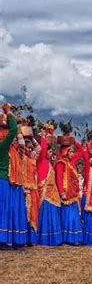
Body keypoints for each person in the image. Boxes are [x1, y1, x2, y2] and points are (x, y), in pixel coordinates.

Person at [0, 104, 28, 249]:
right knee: (4, 211)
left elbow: (20, 140)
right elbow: (12, 131)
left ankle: (13, 239)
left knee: (10, 211)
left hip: (12, 182)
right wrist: (9, 113)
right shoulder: (3, 146)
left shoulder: (14, 150)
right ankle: (3, 240)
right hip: (4, 181)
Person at [55, 141, 84, 245]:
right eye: (70, 152)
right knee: (68, 216)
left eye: (72, 152)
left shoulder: (71, 162)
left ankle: (74, 238)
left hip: (74, 193)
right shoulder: (60, 163)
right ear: (65, 152)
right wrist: (62, 192)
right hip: (66, 193)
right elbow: (59, 178)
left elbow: (81, 150)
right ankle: (68, 238)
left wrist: (74, 141)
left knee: (74, 216)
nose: (72, 154)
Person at [36, 135, 62, 246]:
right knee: (46, 215)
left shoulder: (51, 163)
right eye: (49, 151)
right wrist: (43, 137)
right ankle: (44, 240)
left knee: (53, 216)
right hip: (44, 193)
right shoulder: (41, 160)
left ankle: (55, 239)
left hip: (53, 193)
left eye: (52, 151)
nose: (50, 153)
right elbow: (42, 150)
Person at [23, 137, 41, 245]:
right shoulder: (22, 157)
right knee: (27, 214)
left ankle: (32, 240)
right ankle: (25, 239)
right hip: (25, 190)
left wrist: (32, 138)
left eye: (31, 148)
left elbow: (38, 148)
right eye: (28, 148)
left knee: (34, 213)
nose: (30, 150)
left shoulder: (32, 158)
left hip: (34, 190)